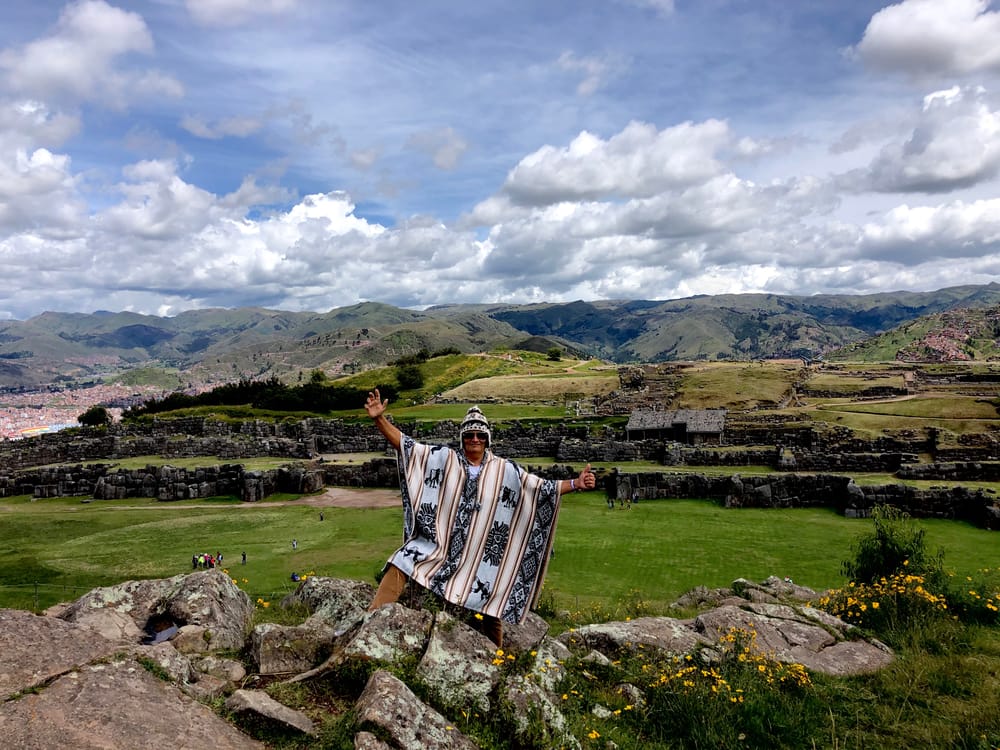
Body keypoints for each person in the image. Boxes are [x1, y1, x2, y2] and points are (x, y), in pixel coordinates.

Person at [364, 388, 596, 647]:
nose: (475, 439)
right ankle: (373, 619)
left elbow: (540, 488)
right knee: (403, 560)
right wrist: (379, 420)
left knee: (492, 594)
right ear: (463, 438)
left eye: (480, 435)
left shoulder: (504, 470)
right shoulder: (445, 459)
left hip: (480, 555)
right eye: (469, 435)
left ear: (487, 438)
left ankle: (495, 659)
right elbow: (409, 448)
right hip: (440, 546)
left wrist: (576, 483)